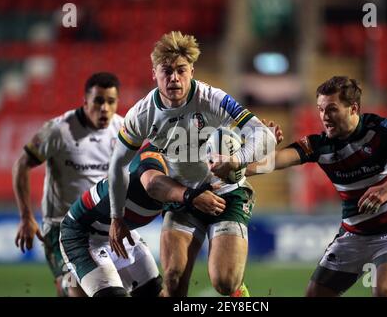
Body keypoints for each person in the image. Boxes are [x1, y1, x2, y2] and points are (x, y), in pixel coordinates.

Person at [107, 31, 277, 297]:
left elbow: (263, 135)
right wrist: (116, 217)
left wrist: (236, 160)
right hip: (184, 196)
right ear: (154, 73)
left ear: (192, 71)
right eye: (166, 71)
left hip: (227, 194)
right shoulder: (141, 114)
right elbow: (117, 165)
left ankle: (236, 291)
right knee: (172, 281)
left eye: (181, 70)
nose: (174, 78)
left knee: (225, 282)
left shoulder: (213, 98)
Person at [246, 76, 387, 297]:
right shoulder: (319, 144)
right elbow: (274, 161)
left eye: (332, 109)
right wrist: (241, 160)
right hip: (352, 236)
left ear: (353, 108)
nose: (324, 117)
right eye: (320, 109)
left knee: (385, 291)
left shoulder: (382, 130)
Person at [59, 143, 223, 297]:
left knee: (153, 292)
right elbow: (153, 183)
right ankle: (73, 282)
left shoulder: (190, 162)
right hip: (83, 235)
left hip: (123, 234)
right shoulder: (153, 159)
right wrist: (190, 196)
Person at [13, 72, 124, 297]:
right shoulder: (58, 130)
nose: (104, 108)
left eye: (110, 102)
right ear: (85, 102)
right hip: (61, 228)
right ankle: (65, 285)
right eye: (98, 101)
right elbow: (21, 165)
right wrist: (26, 217)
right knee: (77, 291)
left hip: (102, 227)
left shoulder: (122, 129)